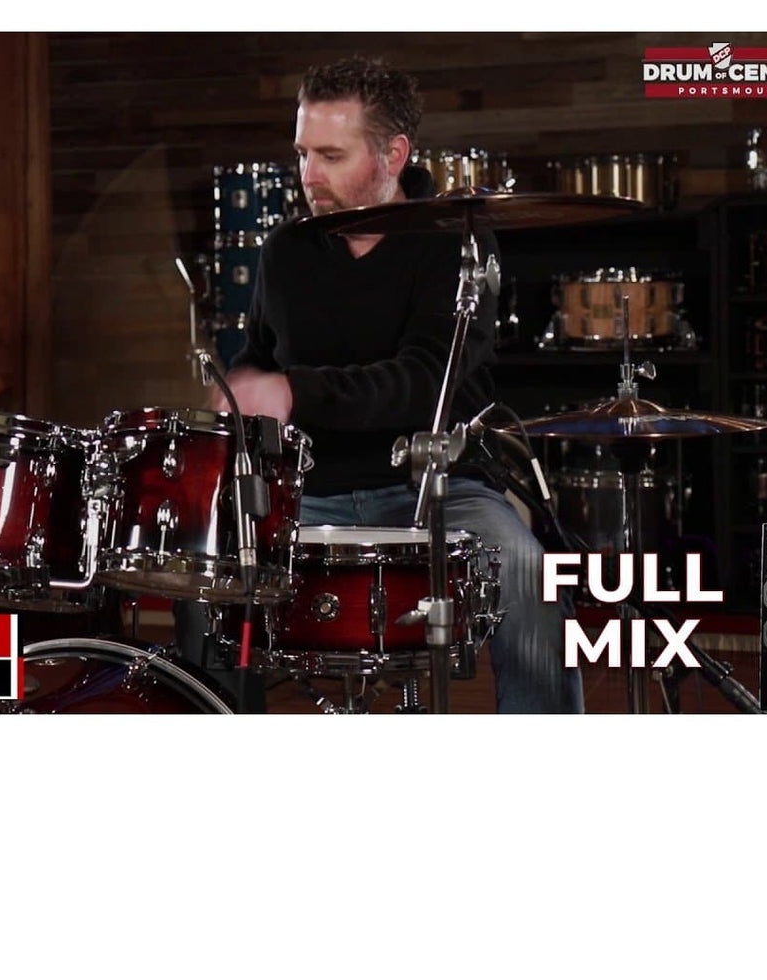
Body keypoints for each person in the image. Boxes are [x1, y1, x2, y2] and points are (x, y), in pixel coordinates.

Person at [205, 55, 583, 714]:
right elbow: (259, 359)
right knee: (206, 574)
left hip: (439, 490)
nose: (309, 175)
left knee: (528, 574)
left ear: (394, 154)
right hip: (312, 494)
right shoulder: (286, 251)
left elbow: (423, 382)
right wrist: (240, 388)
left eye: (331, 155)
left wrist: (294, 392)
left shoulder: (456, 242)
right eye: (302, 154)